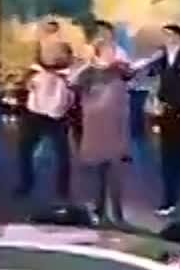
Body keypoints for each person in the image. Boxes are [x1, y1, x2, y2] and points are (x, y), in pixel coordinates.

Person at [69, 39, 132, 224]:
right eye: (109, 51)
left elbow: (131, 73)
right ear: (99, 52)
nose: (112, 54)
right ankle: (99, 210)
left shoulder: (118, 70)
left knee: (116, 174)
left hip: (116, 127)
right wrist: (88, 63)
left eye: (113, 50)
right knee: (97, 174)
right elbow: (72, 82)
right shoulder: (89, 73)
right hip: (96, 128)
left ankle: (118, 214)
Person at [138, 24, 180, 216]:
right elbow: (149, 75)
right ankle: (169, 198)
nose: (166, 38)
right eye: (164, 35)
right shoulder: (160, 57)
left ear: (178, 37)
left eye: (170, 35)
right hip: (164, 112)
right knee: (166, 156)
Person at [15, 41, 75, 201]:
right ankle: (25, 184)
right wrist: (28, 81)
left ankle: (63, 190)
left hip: (56, 117)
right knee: (25, 149)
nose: (51, 56)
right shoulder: (35, 71)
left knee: (62, 154)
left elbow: (73, 91)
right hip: (34, 115)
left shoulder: (68, 74)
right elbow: (25, 84)